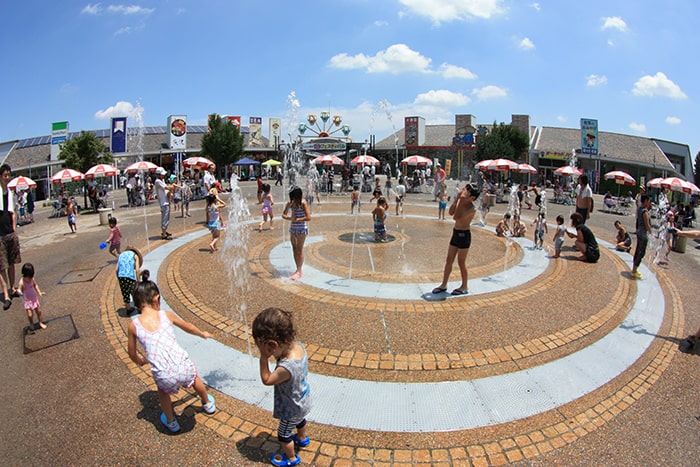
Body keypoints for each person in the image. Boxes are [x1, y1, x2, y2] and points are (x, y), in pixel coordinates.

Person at [127, 271, 217, 433]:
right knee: (196, 379)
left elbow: (132, 353)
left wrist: (140, 361)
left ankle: (171, 421)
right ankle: (207, 403)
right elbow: (187, 326)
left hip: (164, 375)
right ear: (156, 299)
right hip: (184, 367)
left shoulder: (134, 325)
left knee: (162, 392)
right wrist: (202, 333)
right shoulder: (166, 315)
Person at [252, 307, 312, 467]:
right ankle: (301, 438)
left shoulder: (286, 368)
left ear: (272, 345)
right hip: (304, 400)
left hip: (290, 409)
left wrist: (263, 358)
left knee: (284, 435)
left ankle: (291, 458)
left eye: (263, 346)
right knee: (300, 422)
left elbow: (267, 379)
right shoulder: (299, 347)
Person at [432, 184, 479, 296]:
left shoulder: (472, 209)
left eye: (467, 194)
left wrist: (461, 200)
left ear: (472, 198)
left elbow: (456, 217)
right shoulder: (461, 202)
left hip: (464, 235)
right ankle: (444, 284)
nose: (464, 195)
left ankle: (464, 286)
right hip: (456, 233)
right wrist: (457, 199)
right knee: (449, 260)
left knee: (461, 262)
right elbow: (451, 212)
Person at [0, 164, 21, 310]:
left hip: (10, 233)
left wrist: (14, 230)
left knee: (12, 263)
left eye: (9, 175)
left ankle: (12, 289)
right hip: (0, 235)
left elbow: (12, 213)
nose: (7, 178)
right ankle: (6, 294)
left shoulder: (10, 192)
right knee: (2, 266)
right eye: (5, 175)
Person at [282, 187, 311, 281]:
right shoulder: (290, 203)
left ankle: (299, 270)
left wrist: (297, 219)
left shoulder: (303, 203)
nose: (293, 199)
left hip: (302, 229)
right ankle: (297, 268)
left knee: (299, 249)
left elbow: (308, 217)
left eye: (294, 197)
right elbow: (283, 214)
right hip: (293, 228)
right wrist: (290, 218)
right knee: (294, 249)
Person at [18, 263, 46, 333]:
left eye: (31, 277)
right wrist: (18, 292)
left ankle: (40, 322)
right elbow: (19, 291)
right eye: (29, 277)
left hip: (34, 299)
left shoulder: (32, 279)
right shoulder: (22, 282)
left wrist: (39, 292)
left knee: (39, 312)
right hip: (28, 301)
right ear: (24, 275)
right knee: (30, 315)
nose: (30, 279)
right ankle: (31, 324)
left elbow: (35, 285)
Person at [630, 194, 652, 279]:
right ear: (646, 201)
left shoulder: (639, 209)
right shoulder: (645, 212)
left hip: (639, 232)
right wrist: (651, 232)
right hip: (643, 234)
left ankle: (634, 268)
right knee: (641, 252)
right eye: (648, 201)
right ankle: (634, 270)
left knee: (638, 250)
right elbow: (647, 224)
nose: (649, 203)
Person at [154, 167, 178, 240]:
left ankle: (165, 231)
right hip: (163, 202)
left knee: (167, 217)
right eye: (162, 174)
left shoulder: (162, 180)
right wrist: (173, 186)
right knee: (165, 217)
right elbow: (166, 188)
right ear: (158, 174)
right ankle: (164, 234)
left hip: (166, 201)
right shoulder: (158, 181)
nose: (163, 176)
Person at [116, 246, 142, 313]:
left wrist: (118, 278)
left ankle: (128, 308)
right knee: (135, 292)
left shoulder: (121, 255)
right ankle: (139, 308)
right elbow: (137, 270)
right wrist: (138, 281)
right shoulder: (135, 256)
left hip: (121, 276)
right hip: (130, 276)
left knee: (125, 292)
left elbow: (116, 269)